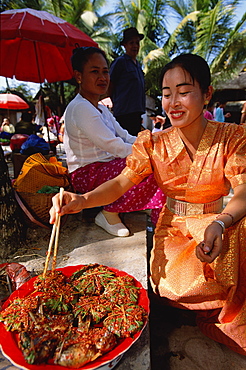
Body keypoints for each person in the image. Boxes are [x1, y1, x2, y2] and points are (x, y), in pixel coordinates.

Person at [50, 53, 246, 355]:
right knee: (175, 287)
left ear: (207, 94)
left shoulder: (232, 137)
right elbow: (120, 183)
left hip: (219, 224)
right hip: (176, 231)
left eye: (183, 91)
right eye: (166, 94)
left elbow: (243, 189)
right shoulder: (153, 144)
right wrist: (83, 199)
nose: (173, 103)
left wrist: (221, 223)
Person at [61, 46, 165, 237]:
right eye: (94, 72)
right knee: (147, 165)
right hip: (87, 174)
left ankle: (124, 204)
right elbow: (115, 147)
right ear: (79, 76)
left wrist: (153, 143)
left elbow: (125, 136)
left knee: (155, 161)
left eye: (105, 71)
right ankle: (109, 213)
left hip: (107, 167)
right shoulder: (80, 108)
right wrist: (149, 153)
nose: (102, 77)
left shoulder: (100, 108)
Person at [109, 27, 145, 136]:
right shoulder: (120, 62)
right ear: (125, 45)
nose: (135, 46)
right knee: (125, 144)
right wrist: (116, 103)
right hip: (124, 113)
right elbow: (110, 84)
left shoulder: (138, 65)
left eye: (137, 43)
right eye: (131, 43)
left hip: (137, 112)